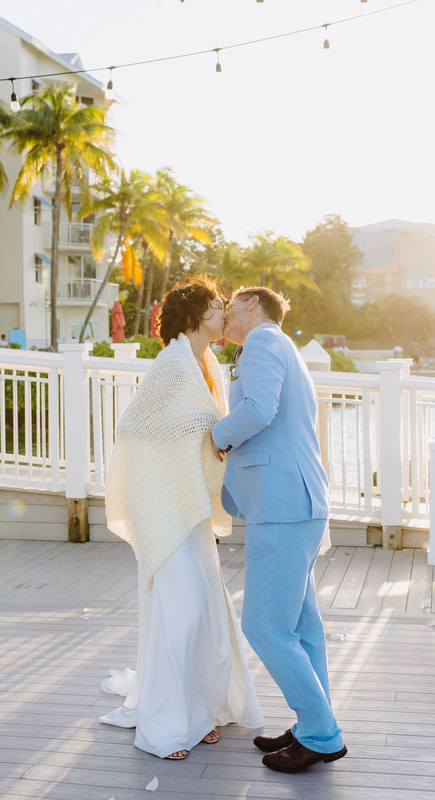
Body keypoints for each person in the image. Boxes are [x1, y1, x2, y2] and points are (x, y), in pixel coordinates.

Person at [100, 276, 263, 760]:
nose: (224, 311)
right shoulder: (172, 362)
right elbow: (134, 426)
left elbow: (211, 431)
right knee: (184, 609)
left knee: (207, 611)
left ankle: (201, 710)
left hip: (189, 508)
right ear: (194, 315)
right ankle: (165, 726)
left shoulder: (207, 362)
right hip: (165, 505)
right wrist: (176, 462)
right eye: (216, 305)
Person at [211, 287, 346, 774]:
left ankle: (321, 735)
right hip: (297, 502)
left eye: (229, 306)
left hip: (285, 505)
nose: (224, 314)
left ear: (253, 305)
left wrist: (214, 439)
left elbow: (260, 408)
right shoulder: (278, 346)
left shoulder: (265, 342)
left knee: (264, 625)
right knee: (302, 628)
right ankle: (314, 723)